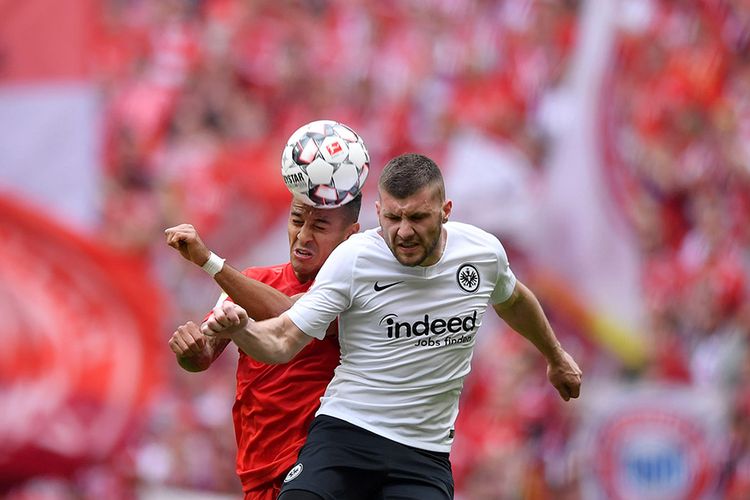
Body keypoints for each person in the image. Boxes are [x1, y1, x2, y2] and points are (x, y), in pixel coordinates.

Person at [202, 153, 583, 499]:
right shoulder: (354, 259)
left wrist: (556, 356)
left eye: (417, 217)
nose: (403, 232)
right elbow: (285, 338)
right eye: (393, 217)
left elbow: (514, 300)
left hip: (423, 453)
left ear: (445, 210)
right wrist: (241, 329)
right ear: (379, 211)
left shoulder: (481, 254)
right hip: (345, 435)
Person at [164, 192, 362, 500]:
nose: (304, 236)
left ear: (350, 235)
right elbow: (203, 356)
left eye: (320, 227)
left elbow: (294, 316)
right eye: (297, 221)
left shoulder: (352, 293)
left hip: (318, 464)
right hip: (258, 466)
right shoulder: (253, 282)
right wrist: (190, 350)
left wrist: (209, 261)